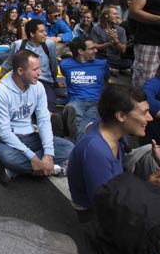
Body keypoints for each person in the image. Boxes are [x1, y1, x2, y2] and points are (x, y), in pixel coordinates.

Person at [67, 84, 160, 221]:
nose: (150, 118)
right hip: (97, 219)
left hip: (115, 195)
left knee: (149, 153)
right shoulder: (96, 151)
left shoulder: (114, 132)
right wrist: (147, 188)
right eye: (144, 113)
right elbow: (106, 208)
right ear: (121, 116)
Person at [0, 50, 74, 184]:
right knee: (7, 156)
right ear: (20, 71)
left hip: (29, 135)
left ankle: (15, 170)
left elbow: (44, 120)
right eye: (35, 69)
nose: (40, 73)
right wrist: (33, 157)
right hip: (4, 141)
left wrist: (48, 154)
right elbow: (3, 133)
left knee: (69, 148)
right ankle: (44, 167)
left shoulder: (38, 87)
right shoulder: (0, 92)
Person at [0, 19, 59, 114]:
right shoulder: (19, 45)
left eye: (45, 31)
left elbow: (53, 65)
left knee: (49, 108)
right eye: (41, 31)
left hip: (44, 82)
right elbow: (9, 63)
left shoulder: (49, 45)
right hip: (24, 82)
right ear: (32, 34)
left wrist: (54, 82)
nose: (45, 34)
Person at [60, 37, 109, 140]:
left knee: (89, 118)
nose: (96, 51)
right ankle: (79, 139)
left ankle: (74, 139)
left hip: (96, 101)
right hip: (76, 100)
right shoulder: (65, 65)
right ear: (80, 51)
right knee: (75, 111)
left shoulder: (102, 64)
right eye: (92, 48)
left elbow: (106, 80)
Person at [129, 0, 160, 87]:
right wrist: (158, 19)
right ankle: (140, 106)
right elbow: (134, 12)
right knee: (145, 82)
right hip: (149, 42)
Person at [90, 5, 131, 72]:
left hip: (114, 58)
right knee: (92, 59)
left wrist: (116, 40)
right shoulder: (96, 29)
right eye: (114, 14)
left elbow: (123, 49)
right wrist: (109, 43)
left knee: (128, 62)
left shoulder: (121, 30)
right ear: (106, 16)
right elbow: (95, 46)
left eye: (117, 14)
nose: (117, 16)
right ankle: (110, 68)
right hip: (100, 56)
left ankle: (107, 67)